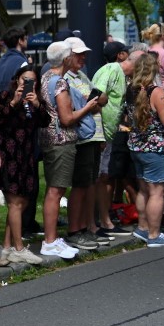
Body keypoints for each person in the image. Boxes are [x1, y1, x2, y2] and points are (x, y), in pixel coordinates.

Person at [38, 41, 102, 259]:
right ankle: (51, 241)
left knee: (54, 191)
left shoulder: (46, 77)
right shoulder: (60, 83)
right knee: (56, 191)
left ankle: (52, 239)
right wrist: (87, 108)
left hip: (50, 139)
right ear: (66, 59)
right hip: (61, 141)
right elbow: (67, 118)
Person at [0, 66, 45, 265]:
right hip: (9, 154)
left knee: (21, 203)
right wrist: (14, 102)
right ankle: (18, 248)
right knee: (14, 202)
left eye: (31, 80)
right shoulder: (6, 96)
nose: (27, 84)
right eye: (24, 79)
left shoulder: (34, 100)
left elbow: (46, 121)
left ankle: (6, 246)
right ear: (16, 80)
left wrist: (38, 104)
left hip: (27, 155)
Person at [62, 36, 110, 250]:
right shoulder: (65, 78)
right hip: (79, 137)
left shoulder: (81, 75)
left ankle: (85, 227)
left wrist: (92, 103)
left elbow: (101, 101)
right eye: (79, 54)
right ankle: (75, 230)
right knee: (80, 185)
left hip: (92, 135)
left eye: (84, 54)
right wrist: (91, 104)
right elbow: (80, 106)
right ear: (67, 55)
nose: (83, 57)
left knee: (89, 183)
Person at [124, 53, 164, 246]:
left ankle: (143, 228)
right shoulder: (156, 92)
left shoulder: (131, 89)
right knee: (156, 192)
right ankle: (154, 235)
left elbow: (129, 118)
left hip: (137, 146)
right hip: (155, 148)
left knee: (144, 189)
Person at [93, 42, 140, 237]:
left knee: (107, 176)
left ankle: (106, 219)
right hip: (101, 134)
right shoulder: (111, 69)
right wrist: (99, 133)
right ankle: (102, 221)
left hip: (109, 134)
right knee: (102, 177)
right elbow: (96, 96)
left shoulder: (122, 75)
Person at [0, 26, 29, 96]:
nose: (27, 41)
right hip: (15, 102)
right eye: (25, 38)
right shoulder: (22, 62)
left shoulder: (0, 61)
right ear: (20, 41)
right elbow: (28, 90)